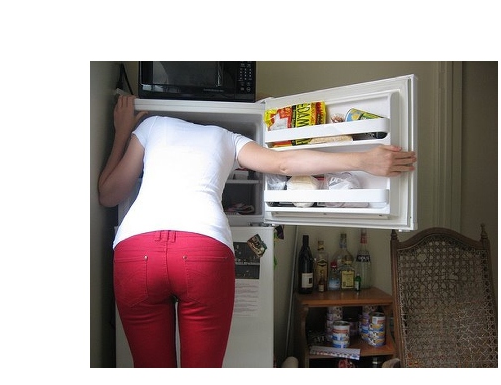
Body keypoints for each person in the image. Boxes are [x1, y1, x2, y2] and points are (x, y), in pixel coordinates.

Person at [99, 94, 417, 367]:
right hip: (202, 251)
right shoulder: (228, 137)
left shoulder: (152, 126)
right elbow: (283, 164)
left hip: (135, 250)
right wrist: (363, 159)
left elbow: (109, 194)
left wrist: (122, 132)